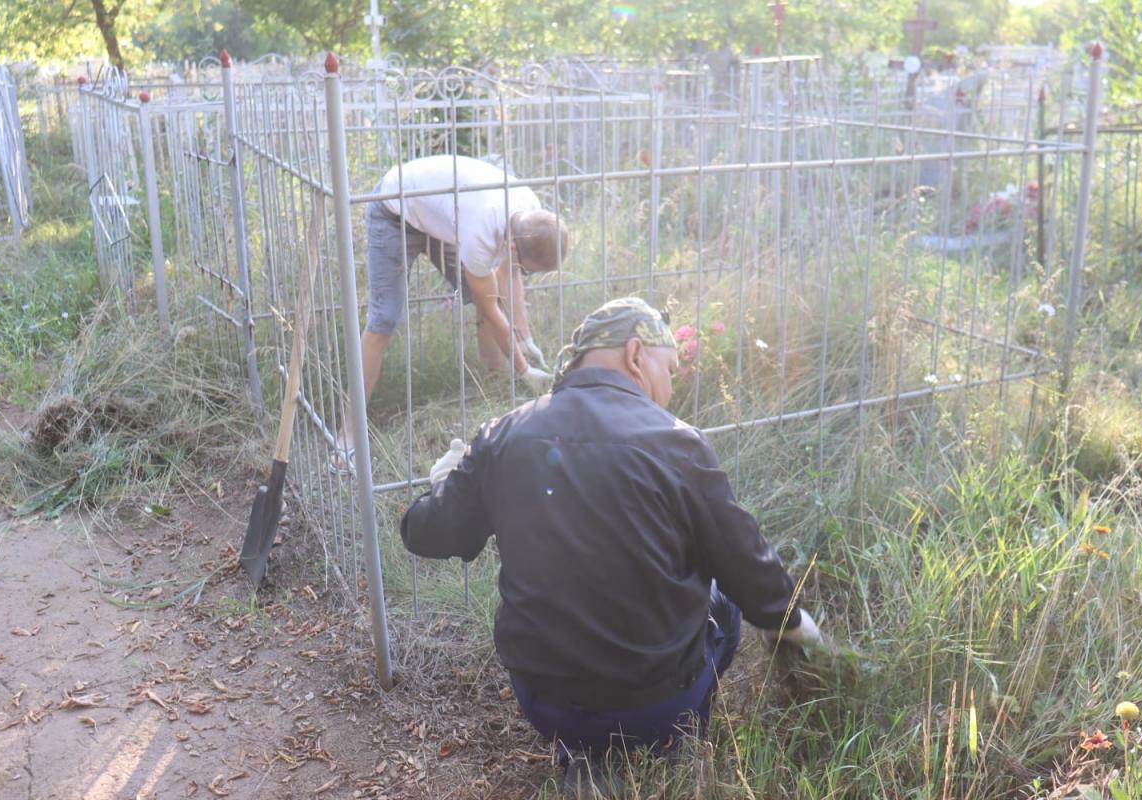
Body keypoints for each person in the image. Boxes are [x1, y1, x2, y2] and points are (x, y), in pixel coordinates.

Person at [400, 297, 822, 796]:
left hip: (544, 700)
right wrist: (799, 627)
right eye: (670, 367)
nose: (669, 387)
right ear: (636, 353)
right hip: (658, 703)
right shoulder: (678, 443)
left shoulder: (502, 434)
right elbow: (750, 572)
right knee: (724, 600)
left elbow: (425, 533)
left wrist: (446, 482)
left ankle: (580, 749)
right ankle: (676, 738)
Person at [333, 154, 569, 471]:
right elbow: (490, 300)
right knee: (384, 319)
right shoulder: (482, 229)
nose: (525, 273)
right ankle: (347, 433)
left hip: (441, 211)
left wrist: (525, 338)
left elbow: (510, 273)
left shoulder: (529, 209)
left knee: (485, 294)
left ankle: (496, 386)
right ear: (514, 248)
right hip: (396, 207)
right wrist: (525, 370)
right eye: (530, 269)